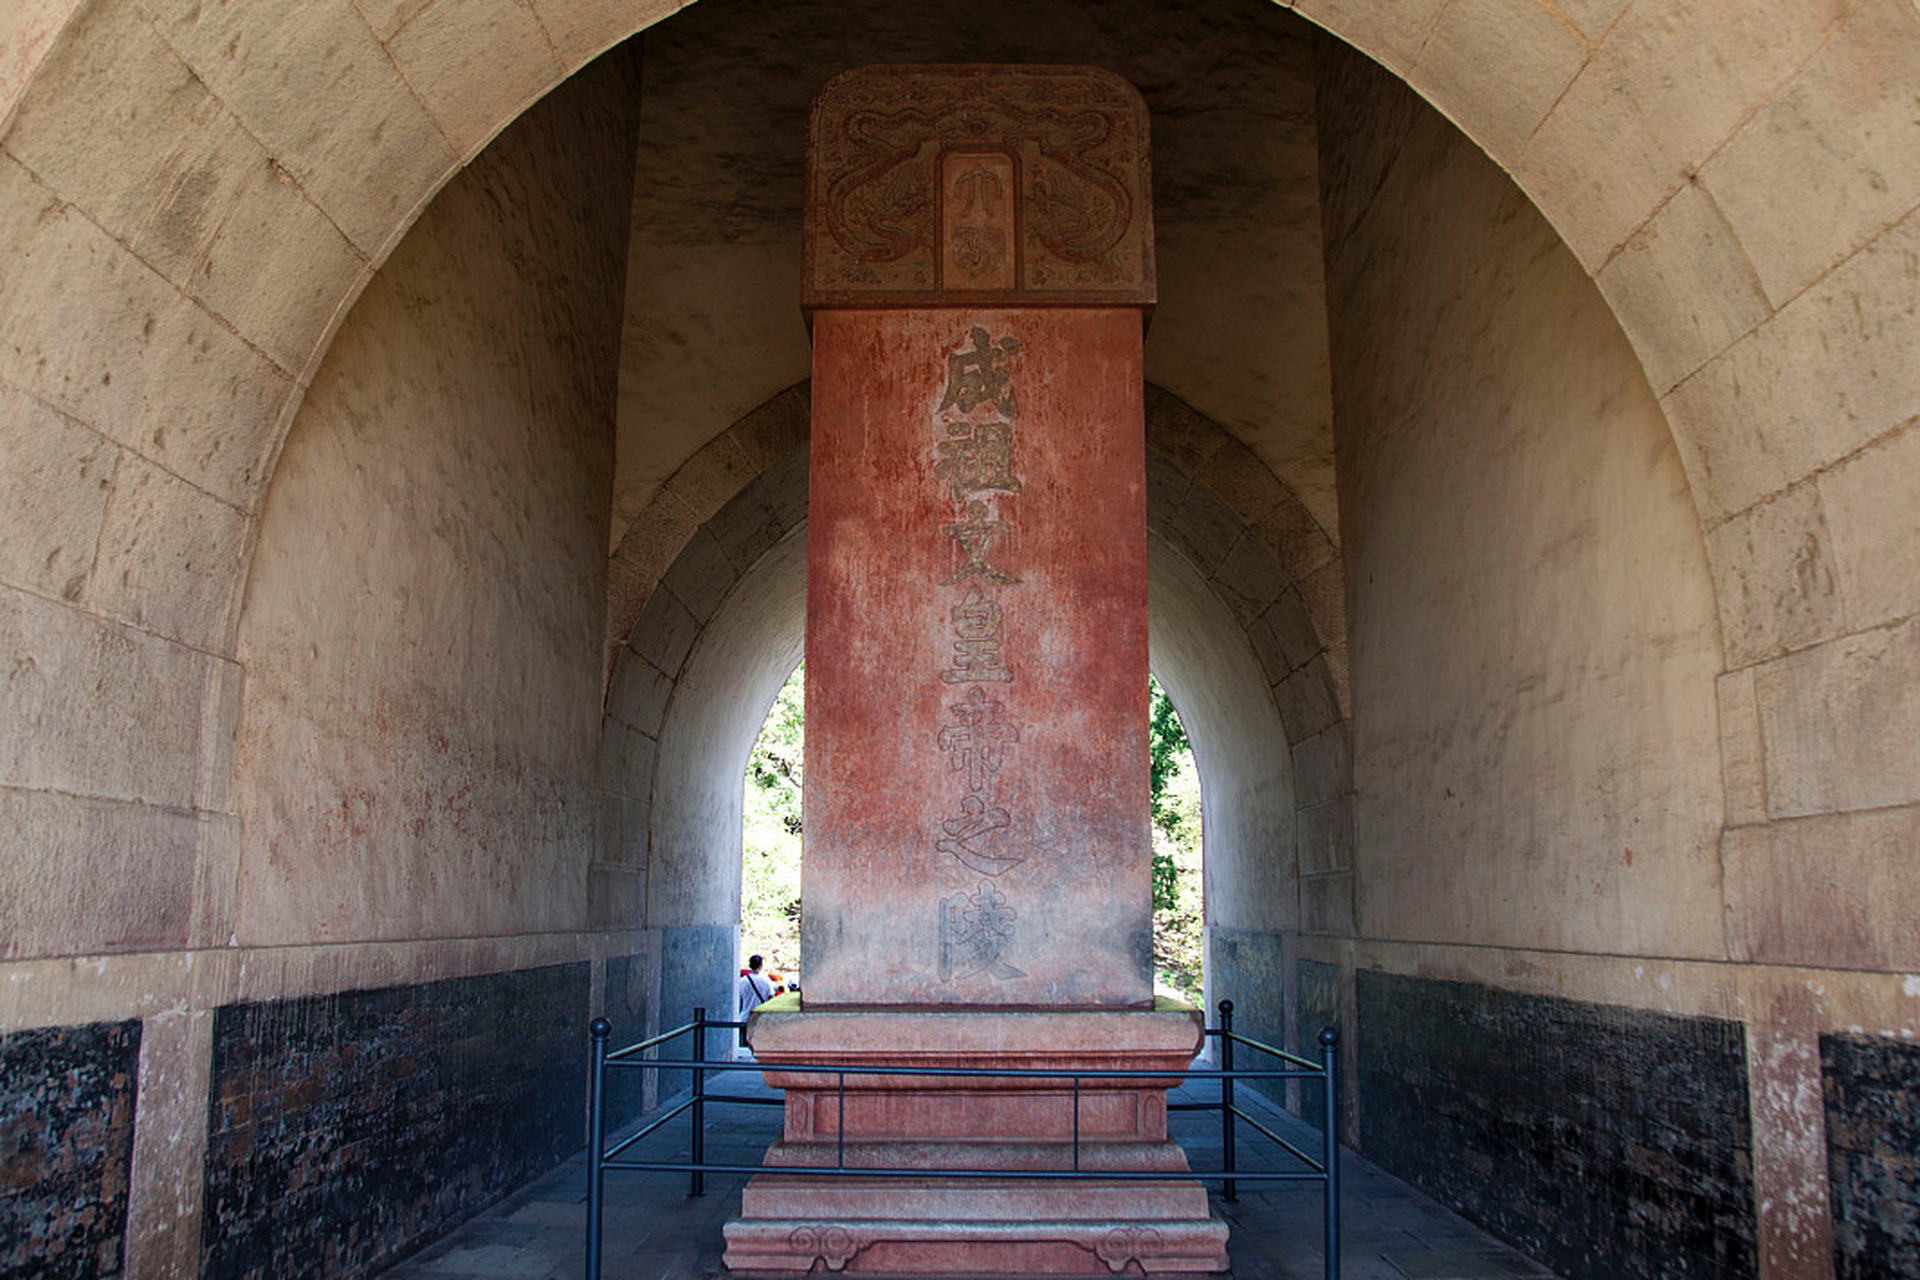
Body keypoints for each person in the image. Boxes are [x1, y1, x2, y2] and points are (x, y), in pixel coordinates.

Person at [737, 954, 775, 1030]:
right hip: (760, 1019)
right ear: (761, 965)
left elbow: (738, 999)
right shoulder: (766, 980)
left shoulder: (743, 981)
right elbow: (771, 998)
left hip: (745, 1019)